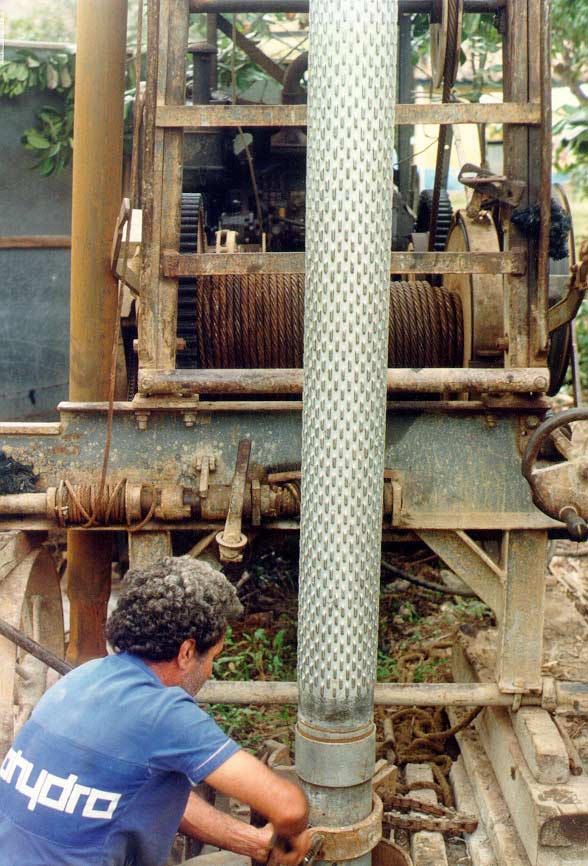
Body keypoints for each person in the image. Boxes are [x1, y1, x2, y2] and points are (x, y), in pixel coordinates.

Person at [0, 556, 311, 866]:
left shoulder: (83, 678)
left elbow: (151, 800)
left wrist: (252, 843)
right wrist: (294, 839)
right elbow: (289, 807)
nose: (211, 669)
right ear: (187, 652)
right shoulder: (164, 713)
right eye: (214, 655)